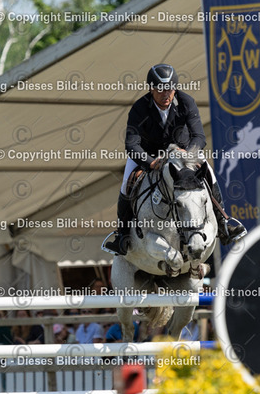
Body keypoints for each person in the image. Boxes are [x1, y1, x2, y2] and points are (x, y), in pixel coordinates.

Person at [104, 63, 246, 255]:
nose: (166, 94)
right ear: (151, 89)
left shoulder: (186, 102)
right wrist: (150, 162)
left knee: (209, 173)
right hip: (149, 154)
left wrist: (188, 154)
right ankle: (122, 235)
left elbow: (199, 136)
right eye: (160, 89)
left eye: (170, 89)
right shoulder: (139, 108)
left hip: (183, 151)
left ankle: (223, 223)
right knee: (126, 184)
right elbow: (132, 144)